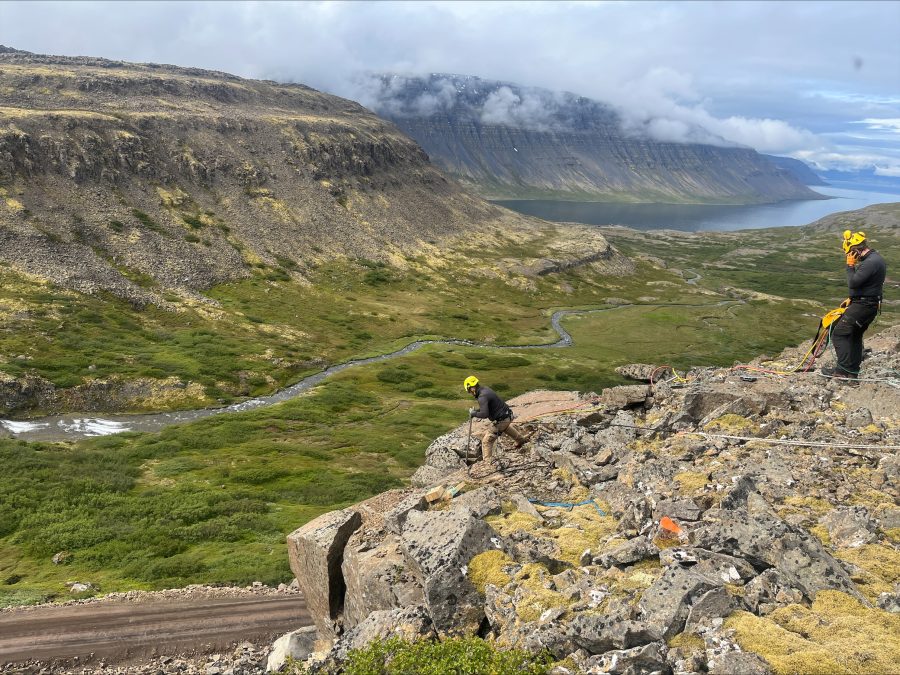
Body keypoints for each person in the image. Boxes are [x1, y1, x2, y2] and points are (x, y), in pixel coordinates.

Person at [823, 230, 886, 381]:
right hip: (867, 304)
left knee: (839, 334)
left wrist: (850, 267)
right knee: (854, 336)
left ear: (856, 250)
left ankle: (842, 372)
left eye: (850, 253)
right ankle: (852, 373)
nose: (850, 257)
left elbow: (853, 282)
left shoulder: (870, 263)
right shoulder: (875, 259)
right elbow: (866, 285)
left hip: (864, 306)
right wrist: (852, 298)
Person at [464, 376, 527, 461]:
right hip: (508, 415)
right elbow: (487, 408)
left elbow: (484, 414)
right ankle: (521, 440)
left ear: (471, 388)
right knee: (505, 427)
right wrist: (476, 411)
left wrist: (474, 413)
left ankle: (487, 463)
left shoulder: (482, 397)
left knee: (487, 441)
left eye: (469, 391)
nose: (470, 393)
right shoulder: (485, 389)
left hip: (502, 420)